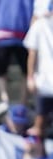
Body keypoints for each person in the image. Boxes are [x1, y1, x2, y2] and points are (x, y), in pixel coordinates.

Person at [0, 0, 32, 115]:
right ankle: (7, 100)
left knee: (27, 71)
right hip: (5, 32)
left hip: (19, 32)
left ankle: (21, 103)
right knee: (3, 70)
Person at [26, 10, 53, 138]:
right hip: (44, 82)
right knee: (39, 122)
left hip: (45, 82)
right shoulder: (40, 25)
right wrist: (30, 77)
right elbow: (32, 53)